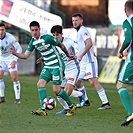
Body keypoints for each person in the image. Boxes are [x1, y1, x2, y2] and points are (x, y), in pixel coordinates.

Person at [10, 21, 77, 116]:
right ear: (30, 30)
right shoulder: (33, 41)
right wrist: (14, 53)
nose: (34, 32)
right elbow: (25, 56)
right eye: (32, 30)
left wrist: (68, 55)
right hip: (47, 66)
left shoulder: (47, 38)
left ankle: (71, 106)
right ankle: (43, 109)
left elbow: (61, 45)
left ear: (39, 29)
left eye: (36, 30)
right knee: (40, 84)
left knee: (56, 90)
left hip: (57, 65)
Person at [72, 13, 111, 110]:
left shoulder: (83, 30)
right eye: (73, 21)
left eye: (77, 20)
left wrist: (81, 55)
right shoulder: (79, 32)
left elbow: (89, 44)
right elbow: (81, 47)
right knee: (76, 82)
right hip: (83, 63)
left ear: (81, 21)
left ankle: (106, 103)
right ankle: (85, 101)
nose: (75, 22)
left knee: (93, 82)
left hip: (89, 61)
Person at [50, 25, 86, 114]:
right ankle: (70, 104)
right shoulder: (52, 44)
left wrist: (77, 55)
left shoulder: (69, 41)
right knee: (58, 92)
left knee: (66, 93)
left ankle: (80, 97)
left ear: (62, 34)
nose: (55, 37)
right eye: (53, 35)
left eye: (57, 35)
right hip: (62, 70)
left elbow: (79, 48)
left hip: (73, 69)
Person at [116, 0, 133, 127]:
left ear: (125, 10)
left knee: (120, 85)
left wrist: (121, 51)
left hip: (132, 60)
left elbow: (127, 39)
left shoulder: (128, 21)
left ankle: (131, 113)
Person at [0, 23, 22, 104]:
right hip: (1, 59)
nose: (1, 32)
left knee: (14, 78)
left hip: (11, 58)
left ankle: (17, 99)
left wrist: (14, 60)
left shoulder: (10, 37)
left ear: (5, 30)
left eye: (2, 30)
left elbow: (19, 49)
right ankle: (1, 97)